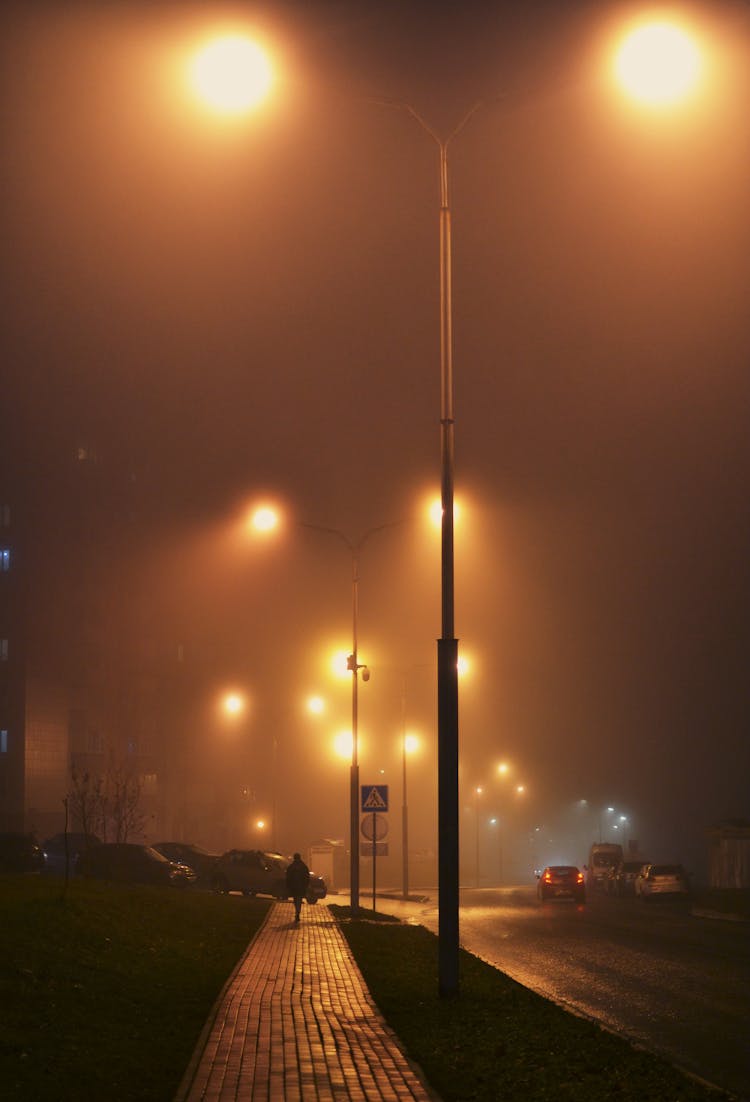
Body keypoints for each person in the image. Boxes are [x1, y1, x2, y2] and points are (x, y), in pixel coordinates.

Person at [285, 852, 310, 922]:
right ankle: (297, 912)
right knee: (299, 899)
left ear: (294, 858)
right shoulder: (304, 866)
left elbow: (288, 877)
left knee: (295, 899)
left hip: (294, 887)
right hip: (301, 887)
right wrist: (306, 885)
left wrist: (288, 886)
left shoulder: (291, 866)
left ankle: (297, 911)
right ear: (300, 857)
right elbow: (307, 877)